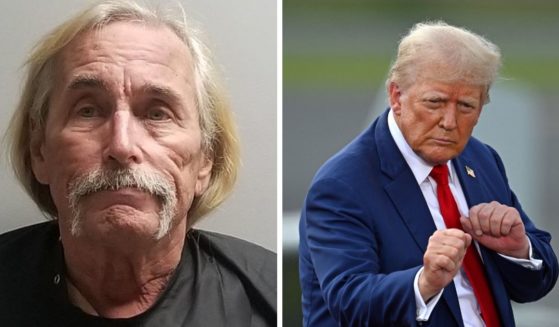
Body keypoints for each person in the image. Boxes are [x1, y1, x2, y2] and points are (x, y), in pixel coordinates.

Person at [0, 1, 276, 325]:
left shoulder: (269, 297)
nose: (122, 145)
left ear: (206, 159)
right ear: (39, 150)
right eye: (88, 110)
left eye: (157, 114)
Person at [299, 21, 558, 326]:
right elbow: (349, 302)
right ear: (397, 96)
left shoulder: (481, 158)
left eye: (465, 106)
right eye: (435, 102)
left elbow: (537, 282)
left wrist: (518, 249)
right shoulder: (342, 184)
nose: (449, 121)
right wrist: (425, 282)